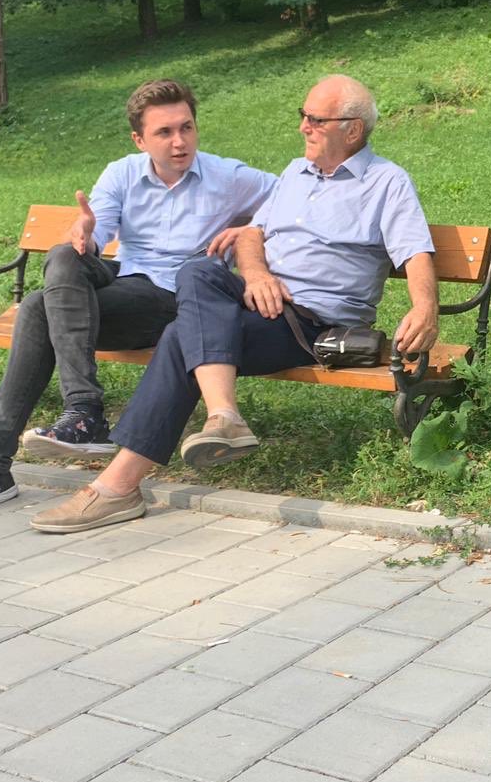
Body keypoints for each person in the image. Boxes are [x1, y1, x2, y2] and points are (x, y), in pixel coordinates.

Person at [28, 74, 440, 535]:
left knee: (180, 335)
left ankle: (117, 487)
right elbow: (253, 234)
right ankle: (223, 417)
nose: (303, 127)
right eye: (302, 116)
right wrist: (258, 272)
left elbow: (415, 252)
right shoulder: (294, 174)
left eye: (315, 120)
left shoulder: (386, 182)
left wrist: (425, 308)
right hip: (259, 301)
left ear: (352, 130)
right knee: (197, 271)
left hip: (313, 322)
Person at [0, 79, 276, 523]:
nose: (179, 142)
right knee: (63, 257)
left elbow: (295, 202)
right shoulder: (122, 172)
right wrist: (86, 232)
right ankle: (82, 412)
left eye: (186, 128)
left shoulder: (230, 177)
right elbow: (97, 227)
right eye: (164, 133)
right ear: (139, 139)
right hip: (122, 279)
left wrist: (248, 233)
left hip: (174, 296)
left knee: (34, 308)